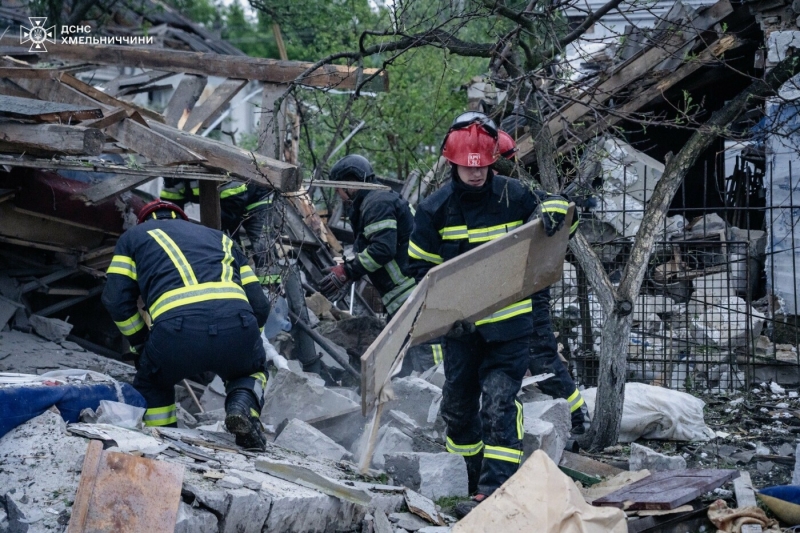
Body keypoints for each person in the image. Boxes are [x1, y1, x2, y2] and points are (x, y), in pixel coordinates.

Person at [406, 112, 571, 517]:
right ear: (452, 163)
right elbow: (417, 270)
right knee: (458, 409)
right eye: (468, 168)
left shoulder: (515, 195)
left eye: (483, 167)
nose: (476, 175)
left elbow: (564, 220)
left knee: (499, 403)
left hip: (510, 327)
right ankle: (467, 475)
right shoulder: (434, 209)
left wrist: (558, 211)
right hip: (460, 329)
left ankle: (494, 490)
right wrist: (445, 310)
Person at [102, 200, 271, 450]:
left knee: (153, 382)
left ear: (145, 221)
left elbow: (115, 301)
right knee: (250, 373)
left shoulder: (134, 237)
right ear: (182, 219)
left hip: (175, 333)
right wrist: (248, 340)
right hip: (237, 325)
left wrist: (140, 343)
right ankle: (242, 407)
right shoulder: (221, 238)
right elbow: (261, 305)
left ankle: (166, 443)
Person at [496, 130, 590, 436]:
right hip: (503, 289)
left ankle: (577, 418)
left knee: (539, 354)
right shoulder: (485, 196)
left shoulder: (520, 193)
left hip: (529, 287)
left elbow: (565, 224)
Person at [318, 154, 417, 317]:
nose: (339, 195)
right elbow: (367, 246)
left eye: (338, 189)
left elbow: (383, 249)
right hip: (407, 291)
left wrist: (347, 271)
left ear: (351, 184)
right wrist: (351, 273)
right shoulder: (378, 199)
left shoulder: (376, 204)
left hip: (409, 291)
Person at [160, 178, 278, 285]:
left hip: (256, 198)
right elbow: (171, 204)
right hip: (229, 201)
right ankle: (238, 284)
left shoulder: (217, 168)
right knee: (228, 244)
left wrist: (208, 231)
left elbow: (233, 205)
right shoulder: (176, 173)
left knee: (262, 245)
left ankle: (272, 289)